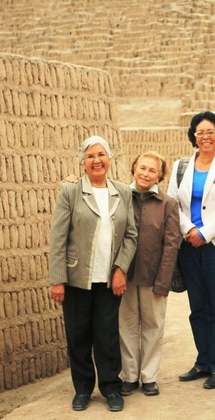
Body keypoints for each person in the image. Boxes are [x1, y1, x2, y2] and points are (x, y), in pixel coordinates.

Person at [49, 136, 137, 413]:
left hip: (109, 279)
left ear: (110, 159)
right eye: (90, 156)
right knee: (78, 336)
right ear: (82, 162)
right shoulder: (71, 192)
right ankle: (83, 389)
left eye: (101, 154)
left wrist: (121, 269)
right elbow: (59, 237)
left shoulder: (122, 191)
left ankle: (111, 387)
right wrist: (57, 279)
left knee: (107, 336)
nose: (96, 160)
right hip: (77, 279)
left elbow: (131, 236)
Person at [168, 111, 215, 390]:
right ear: (193, 136)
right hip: (189, 245)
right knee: (197, 307)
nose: (205, 137)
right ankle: (203, 361)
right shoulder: (181, 166)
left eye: (210, 132)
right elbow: (172, 203)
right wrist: (189, 231)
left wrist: (204, 233)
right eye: (200, 132)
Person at [119, 151, 180, 397]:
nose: (145, 173)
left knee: (153, 325)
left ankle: (149, 376)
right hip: (123, 274)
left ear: (160, 176)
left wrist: (163, 282)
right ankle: (129, 376)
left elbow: (172, 244)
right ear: (134, 168)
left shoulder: (168, 204)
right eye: (142, 168)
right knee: (126, 325)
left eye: (152, 170)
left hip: (154, 276)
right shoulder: (120, 196)